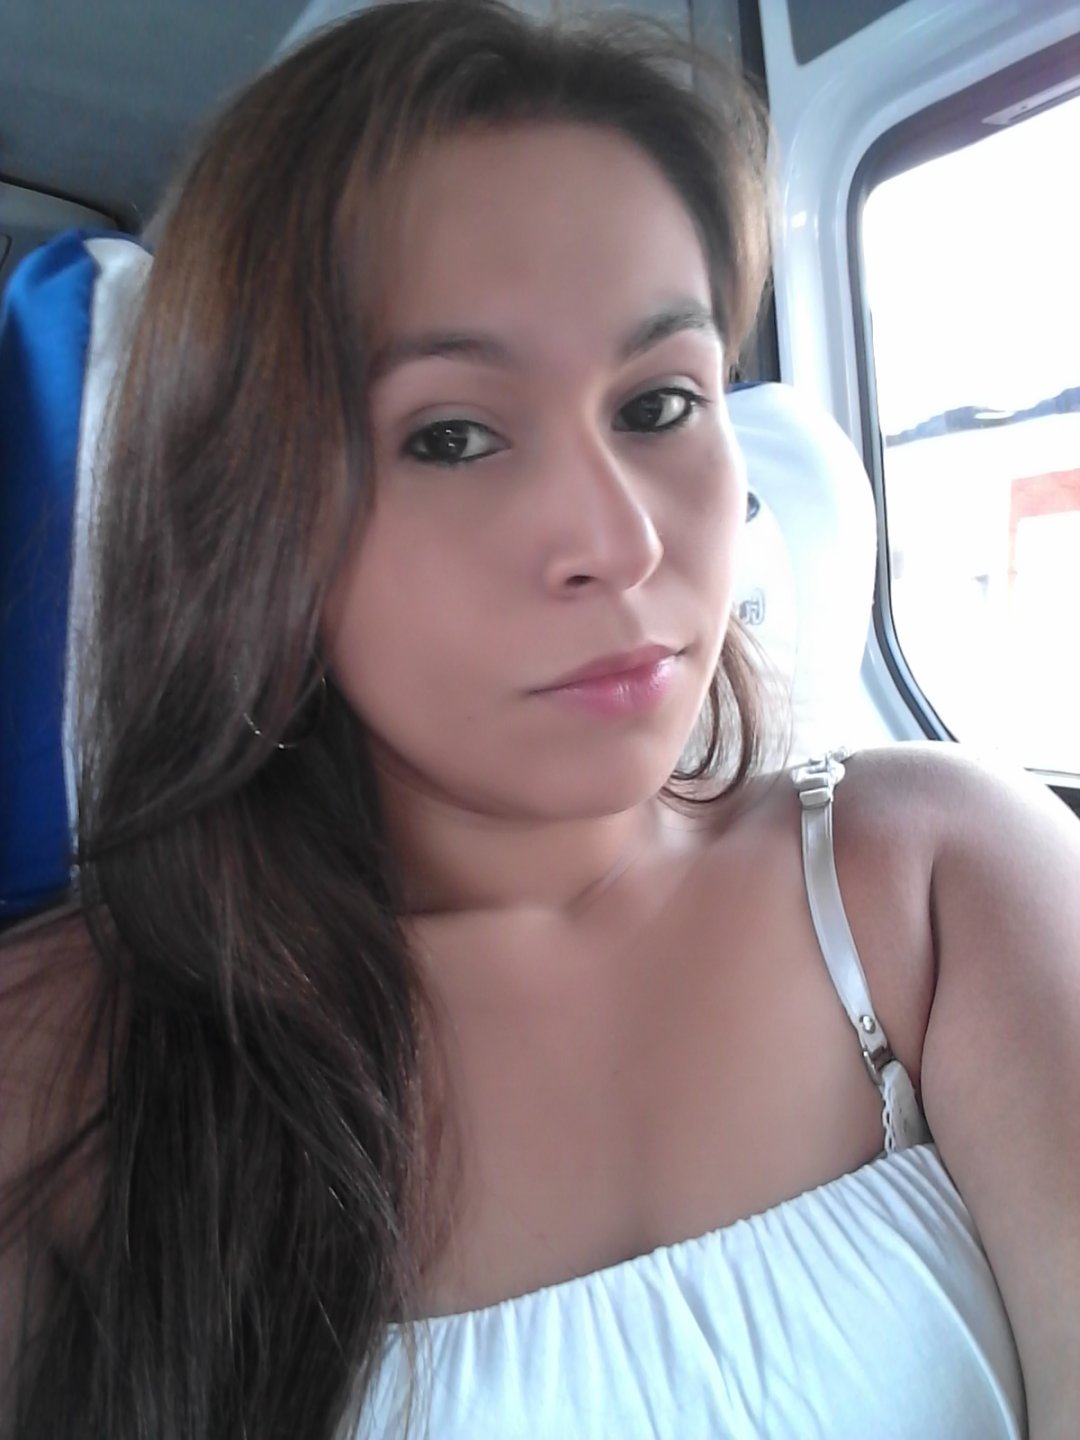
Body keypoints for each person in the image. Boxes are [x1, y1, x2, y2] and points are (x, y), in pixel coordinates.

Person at [1, 1, 1077, 1436]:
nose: (620, 543)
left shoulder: (944, 880)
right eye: (453, 435)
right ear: (257, 514)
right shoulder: (62, 1064)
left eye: (659, 404)